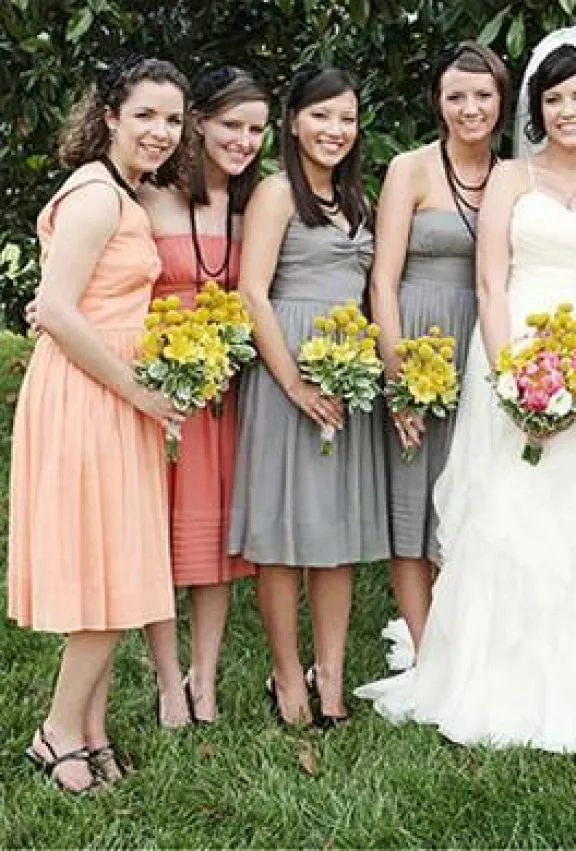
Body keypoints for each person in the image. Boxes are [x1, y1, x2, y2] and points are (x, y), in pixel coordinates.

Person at [357, 21, 576, 754]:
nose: (567, 111)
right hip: (507, 354)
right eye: (553, 99)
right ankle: (491, 673)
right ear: (536, 109)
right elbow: (489, 281)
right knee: (505, 515)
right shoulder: (512, 176)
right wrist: (515, 377)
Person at [8, 55, 189, 791]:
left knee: (114, 569)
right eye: (145, 114)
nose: (160, 131)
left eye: (173, 119)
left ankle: (90, 729)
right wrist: (140, 393)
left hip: (111, 390)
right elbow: (55, 311)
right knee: (109, 571)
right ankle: (55, 734)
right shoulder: (95, 196)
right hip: (91, 394)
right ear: (110, 115)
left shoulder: (124, 193)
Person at [228, 68, 389, 729]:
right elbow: (251, 291)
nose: (335, 130)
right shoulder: (275, 193)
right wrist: (294, 382)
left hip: (345, 374)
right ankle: (287, 674)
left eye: (347, 118)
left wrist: (360, 366)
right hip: (284, 370)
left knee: (335, 531)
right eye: (321, 115)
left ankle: (331, 675)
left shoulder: (357, 201)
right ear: (293, 122)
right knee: (281, 528)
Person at [139, 66, 269, 727]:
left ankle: (204, 678)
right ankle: (168, 680)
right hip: (162, 393)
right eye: (231, 125)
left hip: (227, 396)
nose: (244, 141)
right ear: (199, 124)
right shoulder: (147, 196)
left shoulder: (252, 208)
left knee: (214, 542)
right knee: (157, 537)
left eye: (256, 129)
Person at [370, 42, 509, 654]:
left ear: (502, 101)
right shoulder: (411, 168)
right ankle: (426, 648)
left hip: (485, 344)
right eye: (456, 96)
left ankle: (465, 638)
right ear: (438, 102)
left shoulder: (513, 174)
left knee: (473, 491)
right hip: (419, 340)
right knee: (413, 494)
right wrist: (397, 372)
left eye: (482, 95)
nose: (469, 108)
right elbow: (382, 278)